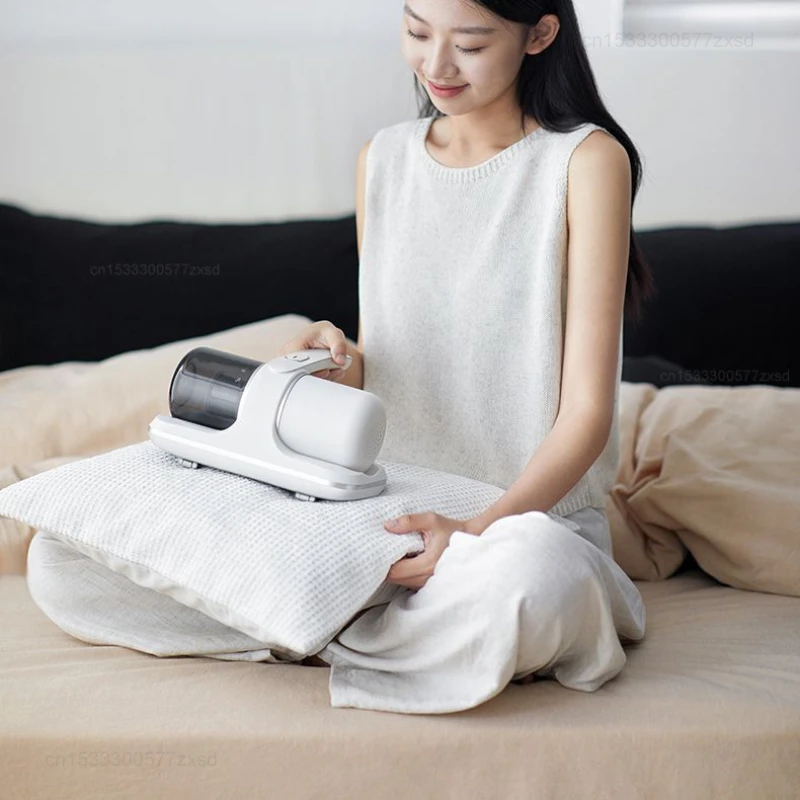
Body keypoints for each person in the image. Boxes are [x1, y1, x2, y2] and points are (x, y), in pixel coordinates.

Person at [26, 0, 655, 715]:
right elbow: (390, 364)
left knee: (533, 580)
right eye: (417, 32)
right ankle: (363, 630)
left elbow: (587, 415)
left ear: (539, 34)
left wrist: (473, 535)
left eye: (470, 44)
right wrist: (338, 364)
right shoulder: (381, 159)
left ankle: (314, 629)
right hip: (383, 517)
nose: (435, 65)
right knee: (61, 561)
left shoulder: (585, 162)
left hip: (516, 531)